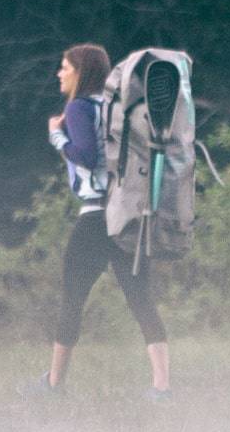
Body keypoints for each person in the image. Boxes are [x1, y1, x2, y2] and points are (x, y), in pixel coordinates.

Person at [33, 43, 172, 402]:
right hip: (129, 214)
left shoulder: (79, 108)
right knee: (141, 298)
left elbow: (85, 155)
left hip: (96, 217)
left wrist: (56, 135)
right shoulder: (118, 107)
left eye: (64, 68)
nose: (59, 74)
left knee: (72, 299)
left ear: (80, 73)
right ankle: (162, 387)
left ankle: (53, 386)